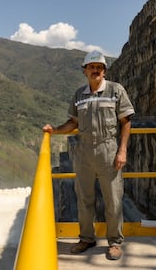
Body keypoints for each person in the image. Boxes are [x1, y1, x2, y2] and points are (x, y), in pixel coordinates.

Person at [43, 50, 135, 260]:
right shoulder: (79, 95)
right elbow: (73, 123)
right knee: (84, 198)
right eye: (91, 67)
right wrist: (54, 130)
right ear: (85, 71)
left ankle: (114, 242)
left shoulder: (115, 90)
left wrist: (122, 150)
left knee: (113, 199)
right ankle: (86, 238)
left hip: (108, 150)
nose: (95, 70)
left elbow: (126, 121)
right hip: (84, 151)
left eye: (99, 67)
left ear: (104, 71)